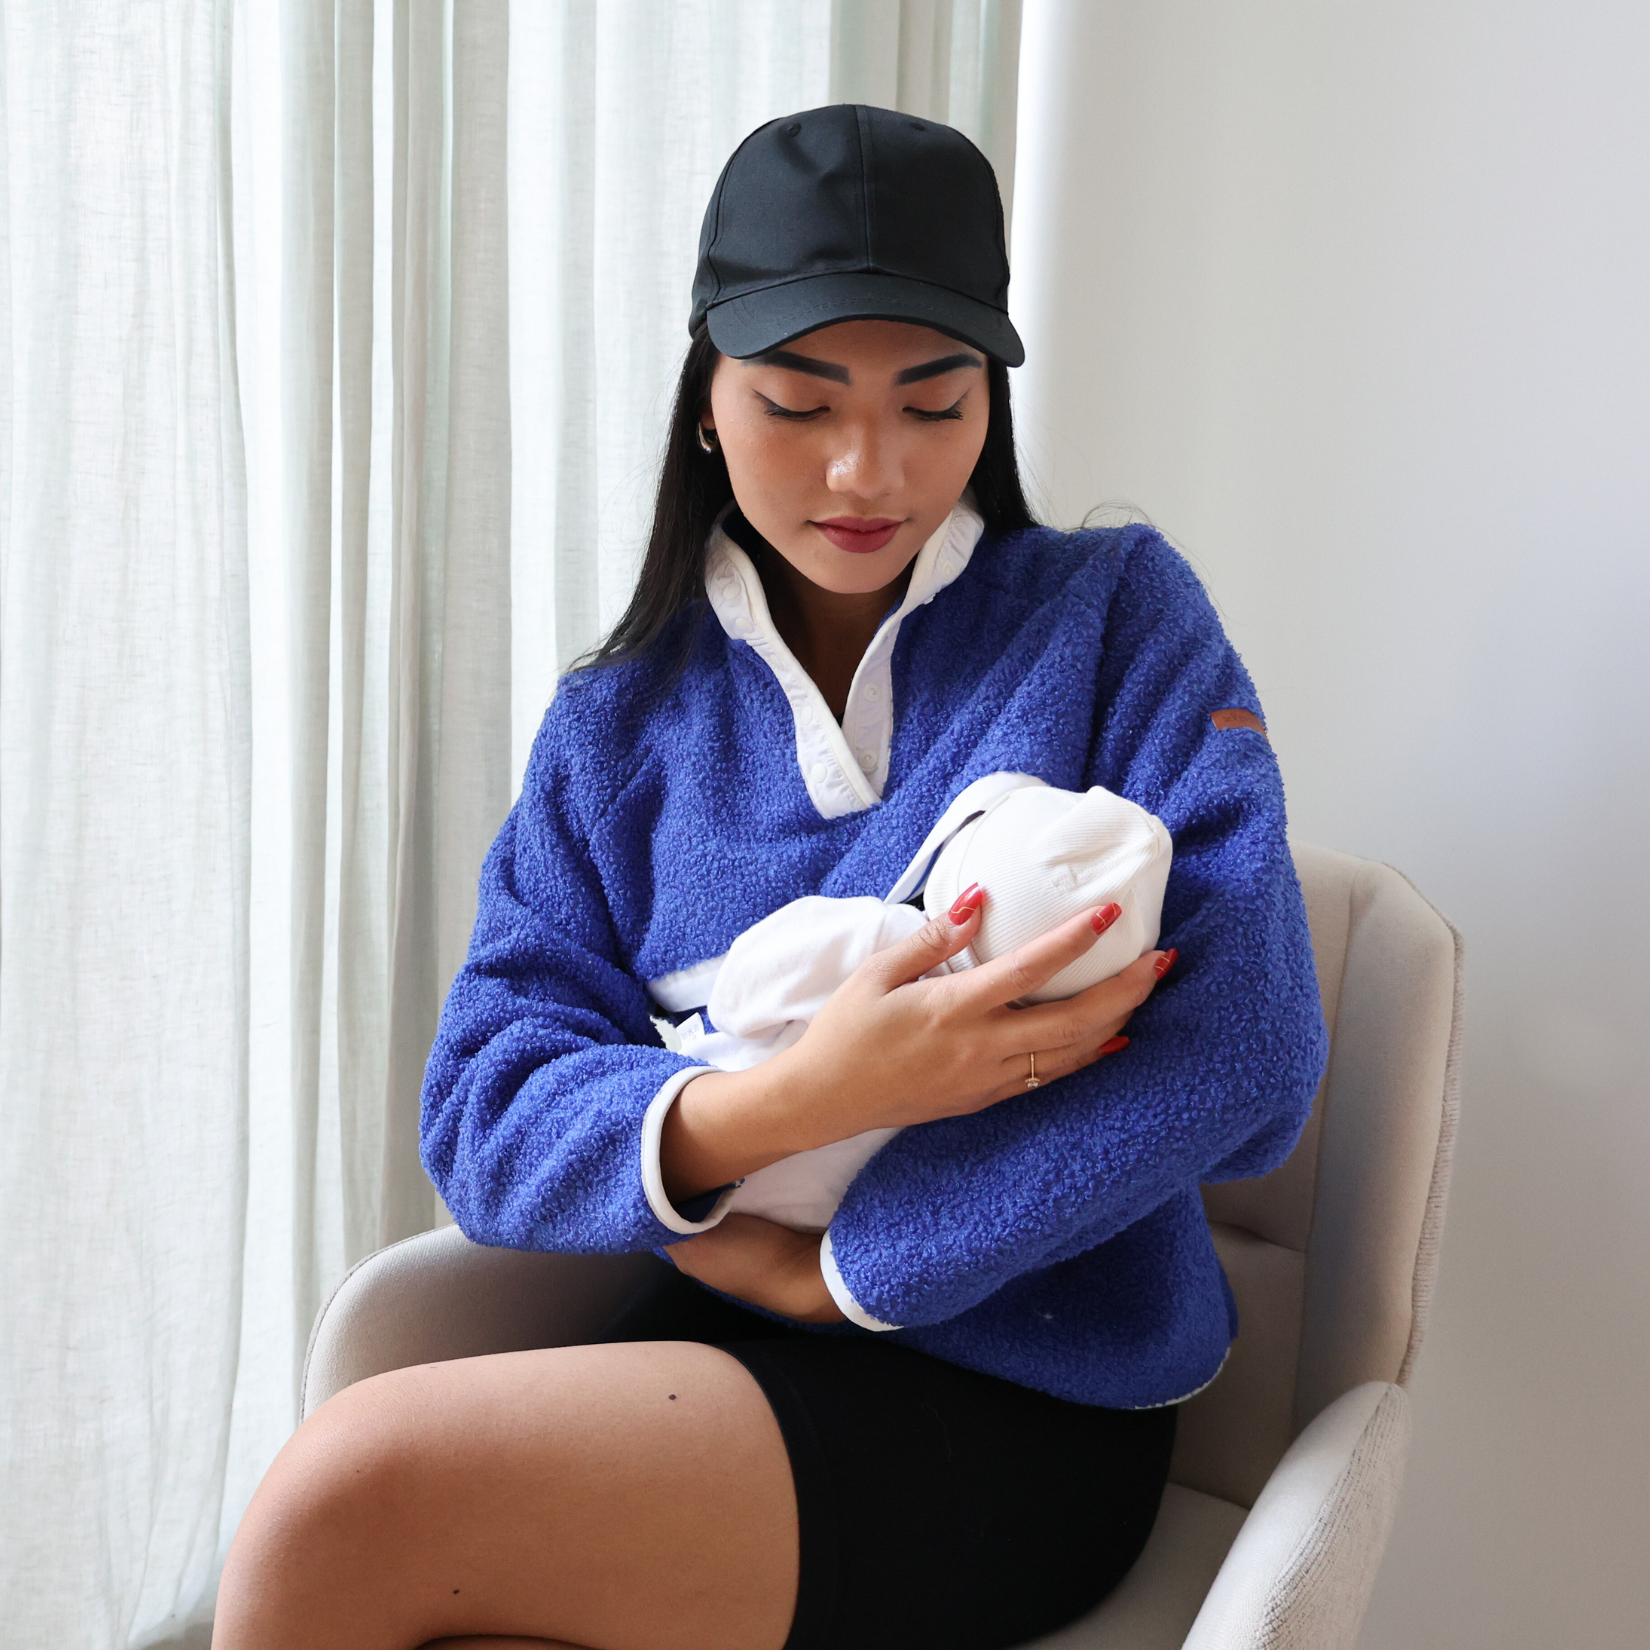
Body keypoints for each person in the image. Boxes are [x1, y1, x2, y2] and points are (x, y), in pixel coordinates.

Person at [212, 105, 1327, 1650]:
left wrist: (847, 1268)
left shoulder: (1114, 615)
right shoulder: (617, 725)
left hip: (1025, 1389)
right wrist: (793, 1100)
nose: (868, 468)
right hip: (708, 1331)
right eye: (798, 402)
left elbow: (1247, 1047)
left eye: (933, 402)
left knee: (343, 1501)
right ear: (705, 402)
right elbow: (483, 1106)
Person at [665, 770, 1174, 1240]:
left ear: (951, 857)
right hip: (802, 1229)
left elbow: (731, 1002)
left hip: (695, 1146)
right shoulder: (1011, 1071)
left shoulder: (874, 938)